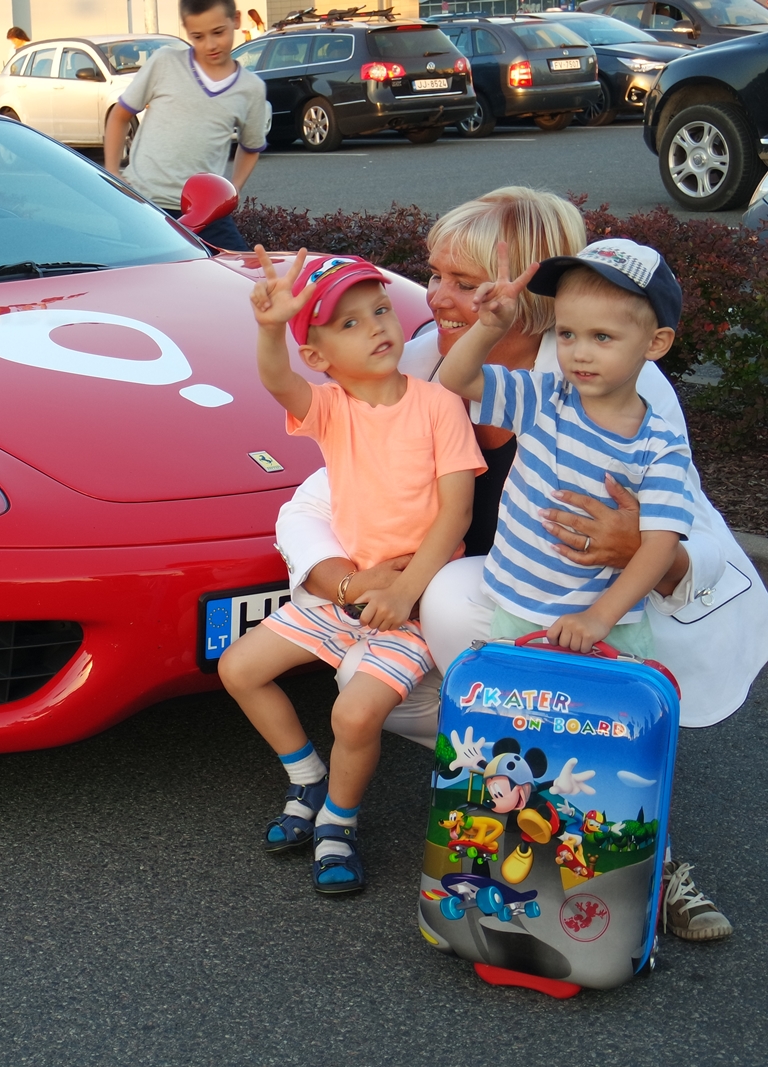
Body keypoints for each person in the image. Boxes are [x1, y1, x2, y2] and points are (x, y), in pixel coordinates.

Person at [274, 187, 767, 939]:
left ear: (531, 292)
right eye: (435, 274)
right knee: (372, 684)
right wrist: (344, 578)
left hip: (615, 610)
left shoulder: (620, 380)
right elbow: (315, 499)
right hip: (510, 604)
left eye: (465, 282)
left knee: (464, 609)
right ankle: (512, 797)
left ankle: (640, 851)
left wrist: (639, 549)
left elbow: (692, 538)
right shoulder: (423, 363)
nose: (435, 297)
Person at [219, 249, 486, 895]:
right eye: (350, 323)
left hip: (415, 604)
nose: (376, 327)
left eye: (381, 310)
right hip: (346, 596)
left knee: (357, 714)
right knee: (239, 668)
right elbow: (276, 380)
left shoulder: (439, 405)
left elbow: (456, 513)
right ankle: (306, 777)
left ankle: (339, 821)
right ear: (319, 356)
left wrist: (405, 589)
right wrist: (270, 327)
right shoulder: (332, 408)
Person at [438, 238, 692, 660]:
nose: (580, 353)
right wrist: (490, 327)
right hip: (516, 610)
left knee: (600, 705)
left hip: (611, 631)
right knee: (521, 702)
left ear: (656, 343)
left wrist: (599, 618)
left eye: (602, 337)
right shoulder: (542, 398)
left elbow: (659, 545)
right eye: (567, 334)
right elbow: (457, 378)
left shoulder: (660, 447)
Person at [103, 0, 267, 252]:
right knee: (149, 274)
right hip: (144, 204)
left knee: (241, 269)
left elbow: (251, 147)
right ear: (186, 30)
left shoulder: (251, 88)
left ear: (235, 20)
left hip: (207, 211)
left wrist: (233, 189)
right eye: (198, 36)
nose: (210, 45)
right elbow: (119, 115)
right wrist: (112, 172)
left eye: (218, 32)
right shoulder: (165, 62)